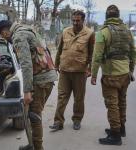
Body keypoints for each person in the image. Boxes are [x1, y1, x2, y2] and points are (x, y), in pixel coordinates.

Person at [0, 20, 57, 150]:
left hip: (40, 80)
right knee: (31, 114)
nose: (4, 38)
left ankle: (37, 147)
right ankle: (32, 145)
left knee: (34, 116)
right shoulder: (28, 30)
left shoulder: (18, 36)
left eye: (3, 35)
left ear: (5, 31)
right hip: (47, 77)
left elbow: (26, 65)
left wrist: (27, 91)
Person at [91, 5, 136, 145]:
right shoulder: (127, 31)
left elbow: (97, 55)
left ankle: (115, 135)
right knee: (122, 102)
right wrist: (131, 70)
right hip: (125, 74)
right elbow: (133, 52)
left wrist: (93, 74)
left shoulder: (103, 32)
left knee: (112, 104)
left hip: (111, 75)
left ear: (106, 16)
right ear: (118, 16)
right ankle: (121, 128)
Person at [49, 10, 95, 131]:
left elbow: (91, 53)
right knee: (62, 97)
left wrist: (90, 69)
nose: (75, 23)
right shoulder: (65, 31)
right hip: (64, 70)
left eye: (78, 21)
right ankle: (58, 121)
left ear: (83, 20)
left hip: (79, 71)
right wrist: (56, 65)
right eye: (73, 20)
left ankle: (77, 120)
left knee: (79, 98)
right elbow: (59, 50)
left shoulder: (89, 33)